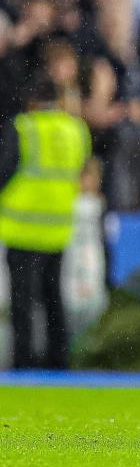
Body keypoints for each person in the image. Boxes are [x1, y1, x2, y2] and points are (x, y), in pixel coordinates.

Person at [0, 76, 92, 369]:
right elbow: (80, 169)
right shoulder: (77, 130)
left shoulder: (24, 128)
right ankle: (58, 362)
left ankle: (24, 362)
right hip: (59, 226)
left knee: (23, 302)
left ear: (31, 101)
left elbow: (5, 169)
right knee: (53, 298)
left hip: (23, 227)